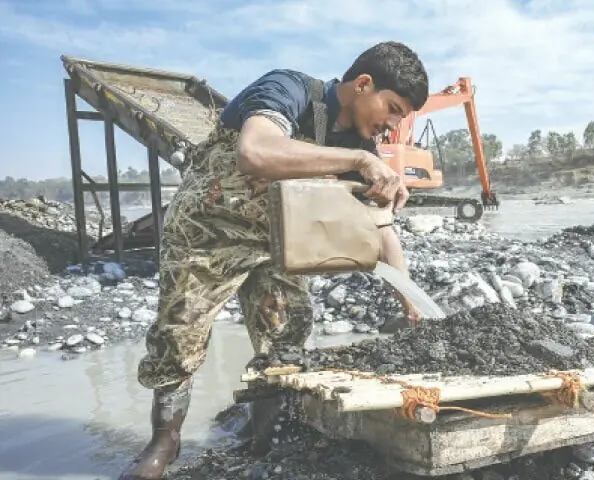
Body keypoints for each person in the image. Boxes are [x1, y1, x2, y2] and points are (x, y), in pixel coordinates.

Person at [118, 41, 429, 479]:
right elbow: (256, 152)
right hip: (207, 232)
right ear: (363, 85)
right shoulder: (290, 90)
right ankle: (163, 443)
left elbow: (382, 226)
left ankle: (263, 436)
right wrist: (358, 161)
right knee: (179, 334)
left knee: (288, 335)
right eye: (393, 108)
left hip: (277, 243)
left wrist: (408, 297)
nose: (393, 125)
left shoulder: (357, 142)